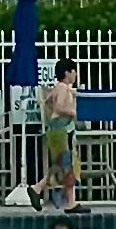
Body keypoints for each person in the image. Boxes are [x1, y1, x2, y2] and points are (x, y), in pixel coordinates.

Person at [38, 58, 86, 209]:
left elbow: (48, 102)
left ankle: (38, 188)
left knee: (61, 166)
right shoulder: (63, 88)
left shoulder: (59, 88)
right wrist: (73, 113)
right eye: (74, 71)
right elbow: (58, 108)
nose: (76, 74)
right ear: (67, 73)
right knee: (67, 166)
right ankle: (69, 203)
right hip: (61, 130)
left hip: (56, 130)